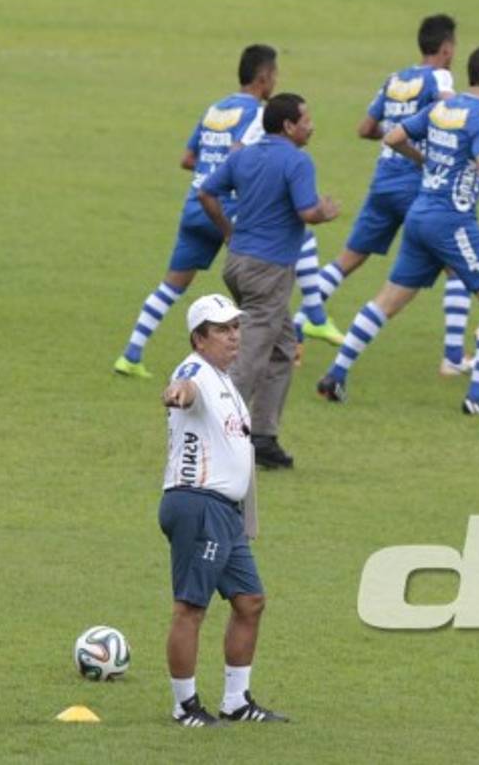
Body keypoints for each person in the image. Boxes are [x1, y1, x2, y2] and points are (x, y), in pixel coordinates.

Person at [316, 45, 479, 418]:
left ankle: (336, 374)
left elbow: (392, 138)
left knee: (386, 301)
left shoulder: (440, 109)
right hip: (452, 220)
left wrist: (427, 162)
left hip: (420, 214)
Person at [292, 14, 479, 376]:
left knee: (348, 260)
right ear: (446, 48)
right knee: (457, 267)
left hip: (383, 180)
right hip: (417, 184)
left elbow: (366, 128)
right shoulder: (439, 76)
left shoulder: (395, 79)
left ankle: (298, 323)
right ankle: (454, 357)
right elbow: (453, 109)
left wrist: (397, 129)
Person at [159, 293, 287, 726]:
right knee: (191, 607)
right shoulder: (195, 371)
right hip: (198, 503)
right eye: (221, 329)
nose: (234, 336)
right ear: (199, 338)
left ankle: (236, 701)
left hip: (225, 511)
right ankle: (185, 706)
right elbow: (185, 389)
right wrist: (177, 393)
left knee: (250, 602)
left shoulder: (225, 380)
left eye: (236, 326)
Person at [113, 45, 278, 379]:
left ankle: (131, 354)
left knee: (171, 286)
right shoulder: (259, 115)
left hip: (195, 206)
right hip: (228, 212)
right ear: (264, 77)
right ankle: (291, 337)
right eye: (275, 74)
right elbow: (239, 157)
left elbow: (188, 159)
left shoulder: (215, 109)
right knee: (264, 281)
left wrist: (210, 169)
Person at [198, 94, 340, 468]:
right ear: (289, 127)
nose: (311, 125)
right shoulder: (297, 160)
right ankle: (217, 440)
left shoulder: (244, 155)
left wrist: (228, 231)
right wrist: (325, 212)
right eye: (306, 120)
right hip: (269, 271)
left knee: (282, 348)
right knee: (248, 356)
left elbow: (206, 192)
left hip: (238, 263)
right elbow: (306, 210)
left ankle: (262, 437)